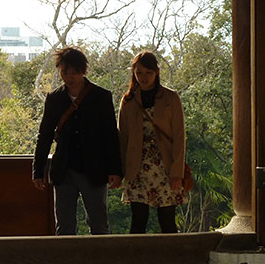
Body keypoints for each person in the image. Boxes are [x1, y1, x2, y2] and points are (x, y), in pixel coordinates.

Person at [32, 46, 122, 235]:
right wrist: (38, 170)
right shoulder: (54, 98)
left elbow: (110, 135)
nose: (69, 77)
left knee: (98, 223)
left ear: (83, 71)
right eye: (65, 72)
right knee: (64, 226)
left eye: (74, 72)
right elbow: (45, 135)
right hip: (64, 168)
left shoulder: (101, 97)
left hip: (95, 167)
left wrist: (115, 169)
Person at [118, 51, 187, 233]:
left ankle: (173, 260)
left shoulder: (171, 98)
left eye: (148, 72)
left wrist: (177, 173)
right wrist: (121, 171)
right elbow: (122, 138)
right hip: (137, 166)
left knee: (167, 221)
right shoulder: (129, 101)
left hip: (165, 165)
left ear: (156, 72)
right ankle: (136, 260)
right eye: (139, 72)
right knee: (138, 220)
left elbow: (179, 137)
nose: (143, 77)